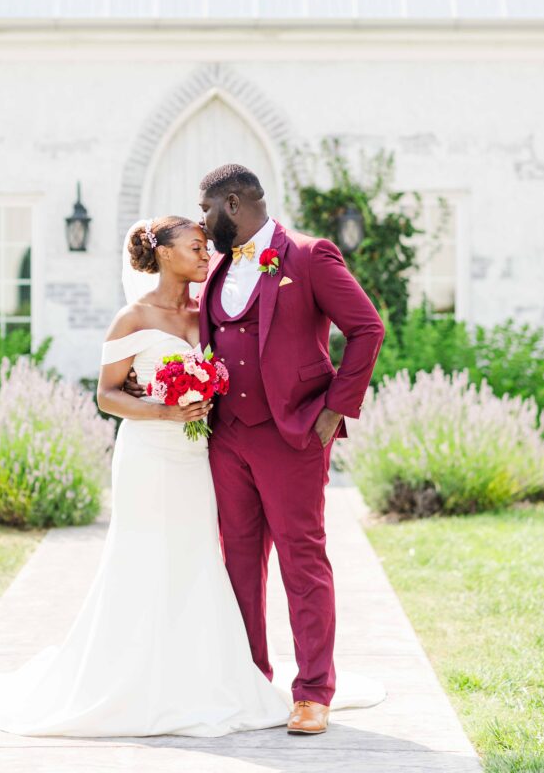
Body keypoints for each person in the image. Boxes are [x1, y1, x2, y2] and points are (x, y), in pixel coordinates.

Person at [0, 215, 291, 737]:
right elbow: (107, 395)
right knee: (142, 557)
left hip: (194, 458)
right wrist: (166, 412)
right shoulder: (131, 318)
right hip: (148, 453)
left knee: (194, 556)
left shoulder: (205, 313)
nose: (205, 254)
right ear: (164, 254)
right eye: (195, 247)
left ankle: (198, 675)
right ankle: (129, 676)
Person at [125, 164, 386, 734]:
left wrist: (336, 407)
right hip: (227, 437)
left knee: (302, 559)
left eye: (207, 210)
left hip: (293, 435)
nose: (202, 221)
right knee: (238, 562)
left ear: (235, 204)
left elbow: (367, 328)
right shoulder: (215, 266)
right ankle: (250, 680)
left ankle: (314, 691)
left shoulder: (310, 255)